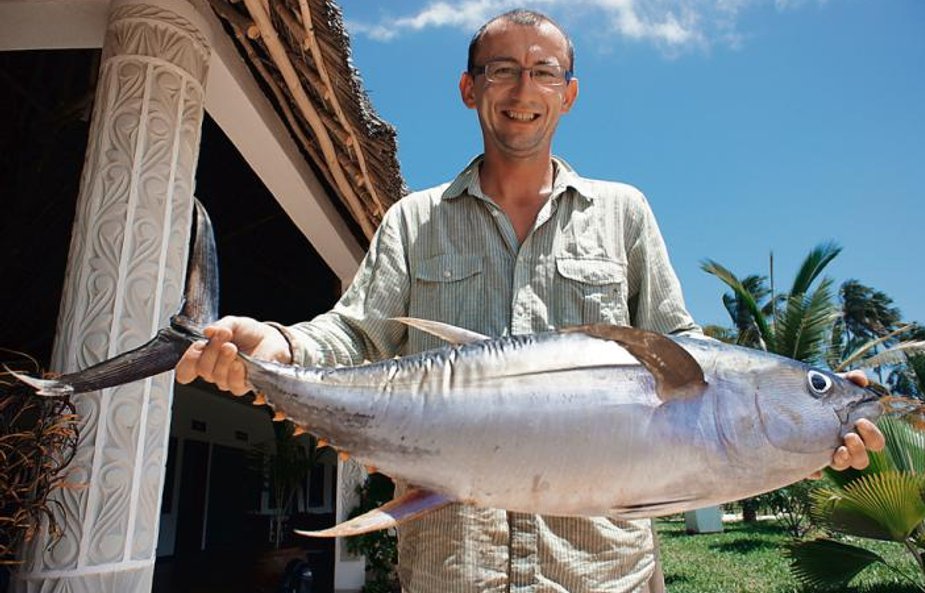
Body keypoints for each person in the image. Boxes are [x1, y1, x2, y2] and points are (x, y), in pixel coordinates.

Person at [176, 9, 884, 593]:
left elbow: (682, 345)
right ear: (468, 87)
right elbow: (353, 337)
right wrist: (278, 351)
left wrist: (822, 419)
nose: (523, 87)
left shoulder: (624, 212)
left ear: (568, 92)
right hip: (454, 571)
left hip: (603, 574)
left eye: (543, 70)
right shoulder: (413, 220)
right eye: (501, 69)